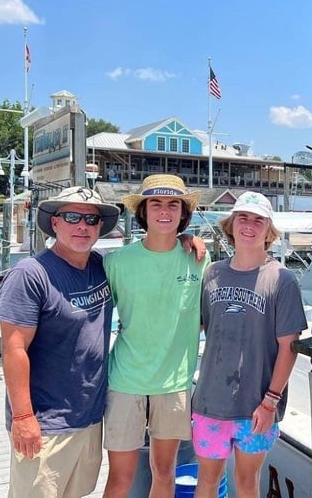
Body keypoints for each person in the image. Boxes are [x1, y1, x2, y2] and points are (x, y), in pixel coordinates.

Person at [0, 186, 120, 497]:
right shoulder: (30, 274)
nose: (82, 226)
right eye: (71, 217)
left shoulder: (101, 266)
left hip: (89, 417)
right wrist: (23, 417)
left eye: (91, 220)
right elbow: (13, 349)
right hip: (44, 422)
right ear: (55, 223)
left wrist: (186, 240)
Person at [191, 192, 307, 498]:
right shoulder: (212, 273)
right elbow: (198, 327)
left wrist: (270, 402)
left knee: (247, 484)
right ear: (231, 224)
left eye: (258, 220)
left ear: (269, 231)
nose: (249, 226)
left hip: (256, 407)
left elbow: (289, 346)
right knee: (207, 482)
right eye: (243, 217)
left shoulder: (282, 279)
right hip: (209, 403)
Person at [103, 174, 211, 497]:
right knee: (120, 479)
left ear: (183, 213)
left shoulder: (199, 260)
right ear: (144, 212)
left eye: (173, 204)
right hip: (125, 382)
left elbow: (210, 320)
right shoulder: (117, 262)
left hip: (174, 384)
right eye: (156, 204)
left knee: (164, 473)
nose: (164, 211)